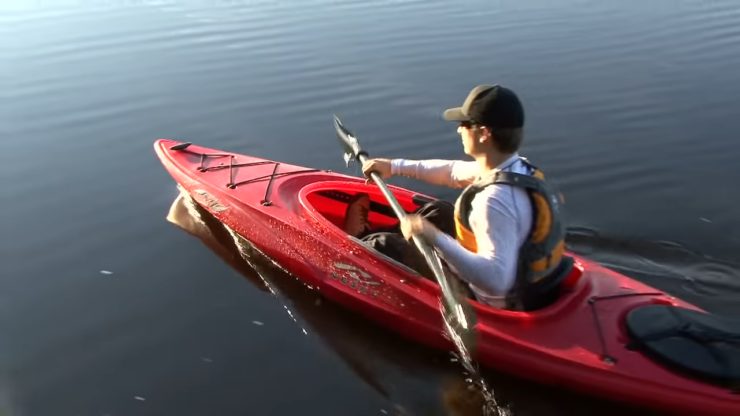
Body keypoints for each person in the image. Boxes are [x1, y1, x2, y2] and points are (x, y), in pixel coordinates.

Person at [343, 84, 569, 310]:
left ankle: (352, 252)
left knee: (385, 245)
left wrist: (434, 237)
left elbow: (496, 282)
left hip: (495, 301)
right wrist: (394, 166)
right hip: (532, 285)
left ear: (484, 133)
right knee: (440, 211)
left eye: (464, 124)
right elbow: (452, 171)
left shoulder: (494, 200)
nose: (459, 130)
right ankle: (368, 236)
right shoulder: (519, 169)